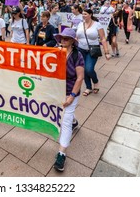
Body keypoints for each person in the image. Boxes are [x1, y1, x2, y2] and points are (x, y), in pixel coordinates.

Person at [52, 28, 84, 172]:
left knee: (65, 121)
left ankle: (61, 154)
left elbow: (80, 78)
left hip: (71, 91)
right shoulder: (55, 50)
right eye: (61, 38)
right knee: (67, 116)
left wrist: (71, 96)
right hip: (56, 90)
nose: (63, 41)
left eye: (66, 39)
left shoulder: (78, 56)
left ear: (72, 41)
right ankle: (74, 121)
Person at [76, 8, 111, 96]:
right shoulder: (80, 24)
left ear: (90, 14)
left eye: (85, 14)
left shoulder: (97, 25)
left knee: (89, 69)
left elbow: (103, 38)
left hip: (92, 50)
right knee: (83, 70)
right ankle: (88, 87)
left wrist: (106, 52)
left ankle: (95, 81)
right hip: (80, 50)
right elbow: (76, 37)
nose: (83, 16)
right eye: (83, 14)